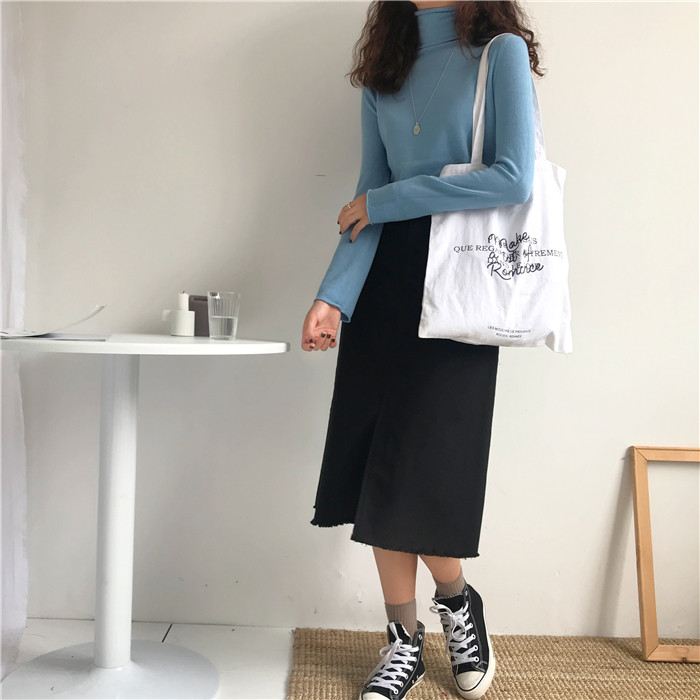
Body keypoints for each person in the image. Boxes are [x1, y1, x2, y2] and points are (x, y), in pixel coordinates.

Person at [301, 1, 542, 698]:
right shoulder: (386, 67)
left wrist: (387, 202)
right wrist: (333, 295)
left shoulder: (499, 53)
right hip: (385, 285)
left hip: (460, 286)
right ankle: (403, 638)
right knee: (377, 464)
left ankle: (457, 599)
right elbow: (364, 199)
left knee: (423, 467)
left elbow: (513, 177)